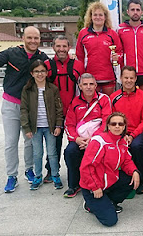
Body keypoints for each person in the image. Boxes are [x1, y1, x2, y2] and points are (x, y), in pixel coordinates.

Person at [0, 26, 49, 193]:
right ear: (23, 38)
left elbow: (54, 72)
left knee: (30, 141)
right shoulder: (12, 53)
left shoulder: (42, 57)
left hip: (31, 105)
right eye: (30, 38)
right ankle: (11, 176)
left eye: (36, 38)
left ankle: (29, 170)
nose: (33, 41)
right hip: (11, 104)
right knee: (11, 142)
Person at [80, 112, 140, 227]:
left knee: (132, 179)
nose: (117, 126)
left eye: (120, 124)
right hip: (93, 187)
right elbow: (86, 167)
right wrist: (95, 187)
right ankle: (89, 204)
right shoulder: (99, 141)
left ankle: (109, 201)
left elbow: (127, 161)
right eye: (113, 124)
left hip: (109, 182)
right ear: (108, 126)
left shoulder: (122, 141)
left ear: (124, 127)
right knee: (110, 221)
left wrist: (135, 171)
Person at [63, 73, 112, 198]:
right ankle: (73, 185)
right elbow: (69, 125)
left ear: (96, 85)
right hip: (80, 140)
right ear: (80, 86)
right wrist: (77, 139)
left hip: (99, 139)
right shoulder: (75, 102)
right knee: (70, 151)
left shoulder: (104, 100)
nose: (88, 87)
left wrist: (93, 139)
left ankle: (102, 183)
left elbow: (107, 123)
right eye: (85, 84)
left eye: (91, 84)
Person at [43, 35, 84, 183]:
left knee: (77, 142)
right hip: (55, 112)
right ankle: (51, 170)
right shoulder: (46, 65)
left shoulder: (78, 65)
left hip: (75, 110)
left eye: (64, 46)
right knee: (54, 143)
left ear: (69, 48)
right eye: (58, 46)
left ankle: (80, 170)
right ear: (53, 47)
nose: (61, 49)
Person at [20, 60, 63, 190]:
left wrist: (58, 125)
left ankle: (55, 175)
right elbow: (24, 109)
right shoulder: (27, 90)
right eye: (37, 71)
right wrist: (26, 127)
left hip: (50, 127)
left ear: (46, 72)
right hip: (35, 128)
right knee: (37, 153)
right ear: (32, 73)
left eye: (42, 71)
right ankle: (37, 176)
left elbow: (58, 108)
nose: (40, 74)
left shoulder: (52, 89)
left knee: (52, 153)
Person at [110, 66, 143, 191]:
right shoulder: (113, 97)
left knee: (136, 146)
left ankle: (142, 180)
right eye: (126, 77)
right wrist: (121, 134)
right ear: (121, 78)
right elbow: (111, 120)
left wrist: (133, 135)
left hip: (137, 132)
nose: (128, 80)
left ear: (135, 79)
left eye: (131, 78)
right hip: (119, 131)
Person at [76, 1, 123, 95]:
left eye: (101, 15)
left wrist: (117, 57)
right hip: (90, 78)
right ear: (91, 17)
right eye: (95, 15)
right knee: (92, 106)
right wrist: (82, 76)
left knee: (109, 105)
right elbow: (79, 56)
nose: (98, 17)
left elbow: (120, 52)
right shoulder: (83, 33)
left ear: (105, 17)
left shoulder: (112, 34)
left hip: (108, 77)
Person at [118, 0, 143, 92]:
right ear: (128, 12)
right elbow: (119, 50)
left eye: (137, 10)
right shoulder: (120, 29)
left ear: (141, 12)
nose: (135, 12)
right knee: (127, 100)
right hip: (127, 72)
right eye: (132, 10)